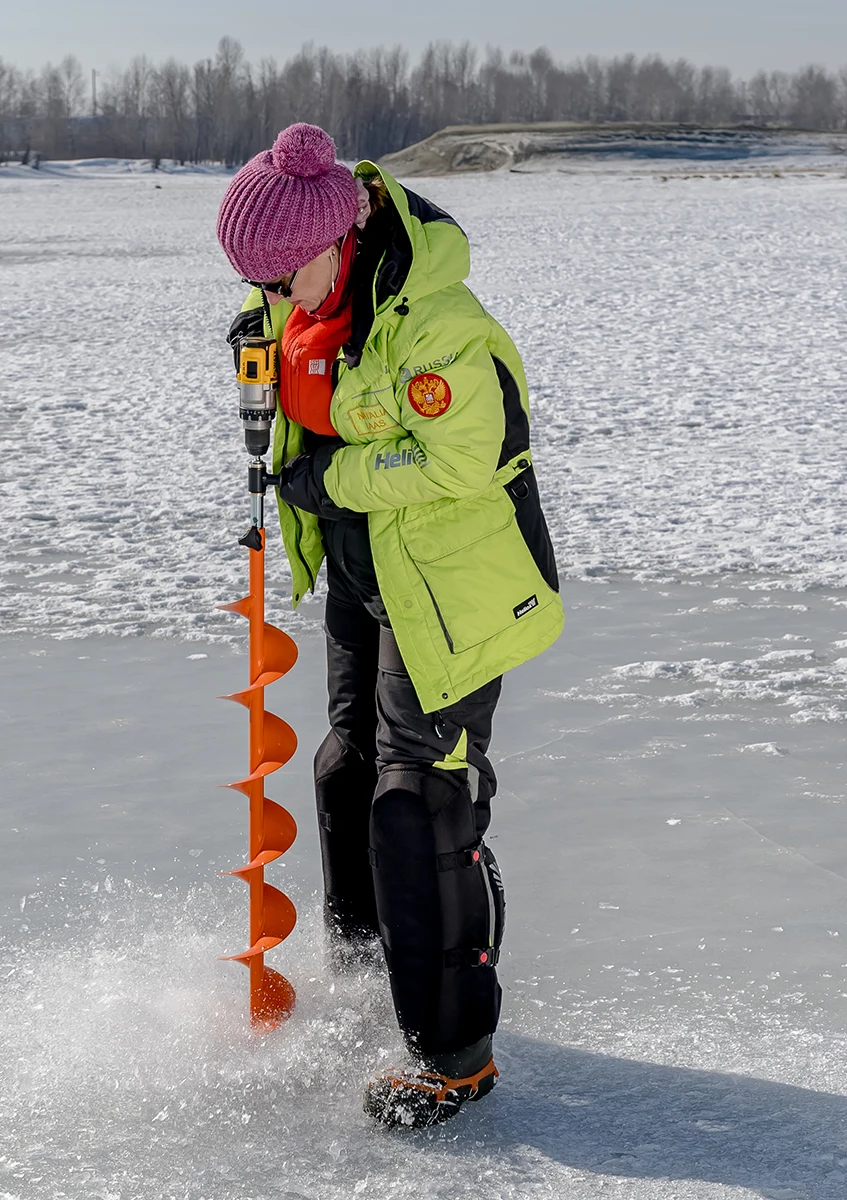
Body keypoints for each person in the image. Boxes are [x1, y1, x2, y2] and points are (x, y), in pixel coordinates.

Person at [216, 124, 564, 1127]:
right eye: (258, 285)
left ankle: (454, 1056)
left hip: (450, 583)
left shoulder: (437, 325)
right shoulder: (302, 290)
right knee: (348, 767)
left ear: (339, 241)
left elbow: (458, 458)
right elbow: (304, 367)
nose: (272, 300)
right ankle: (374, 981)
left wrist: (330, 479)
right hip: (366, 569)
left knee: (417, 794)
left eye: (282, 280)